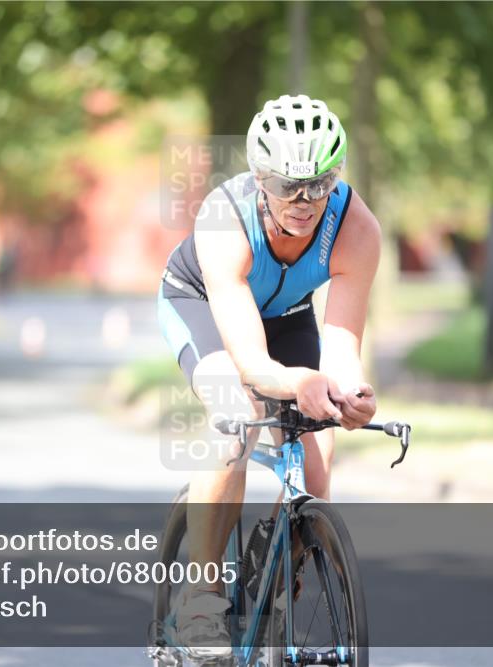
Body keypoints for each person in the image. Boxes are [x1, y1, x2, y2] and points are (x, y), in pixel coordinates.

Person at [157, 94, 381, 659]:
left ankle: (278, 580)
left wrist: (350, 394)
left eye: (319, 183)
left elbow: (342, 350)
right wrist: (296, 383)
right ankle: (201, 601)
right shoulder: (223, 219)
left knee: (318, 464)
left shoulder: (356, 226)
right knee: (237, 415)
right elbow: (253, 366)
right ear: (260, 178)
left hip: (286, 318)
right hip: (204, 305)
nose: (304, 201)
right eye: (287, 186)